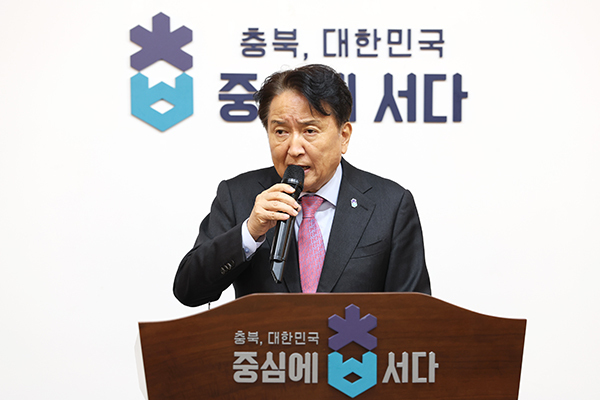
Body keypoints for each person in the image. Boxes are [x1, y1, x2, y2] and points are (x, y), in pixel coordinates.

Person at [173, 64, 430, 307]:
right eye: (281, 132)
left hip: (354, 340)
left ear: (343, 136)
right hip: (270, 341)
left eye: (310, 131)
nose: (294, 149)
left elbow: (414, 313)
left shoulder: (391, 205)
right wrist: (250, 232)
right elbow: (189, 291)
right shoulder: (238, 196)